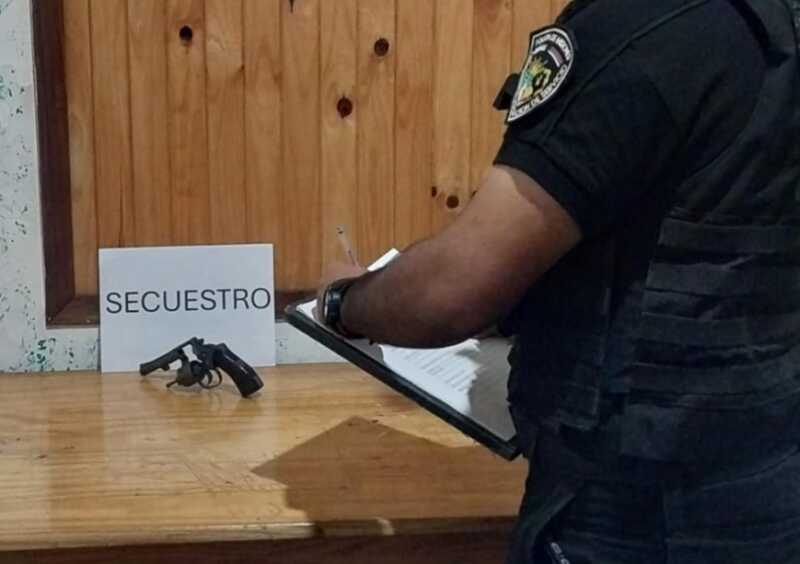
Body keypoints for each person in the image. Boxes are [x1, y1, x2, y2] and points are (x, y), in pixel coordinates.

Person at [316, 0, 800, 561]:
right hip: (765, 481)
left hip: (630, 512)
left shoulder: (642, 26)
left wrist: (343, 302)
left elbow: (452, 292)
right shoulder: (773, 25)